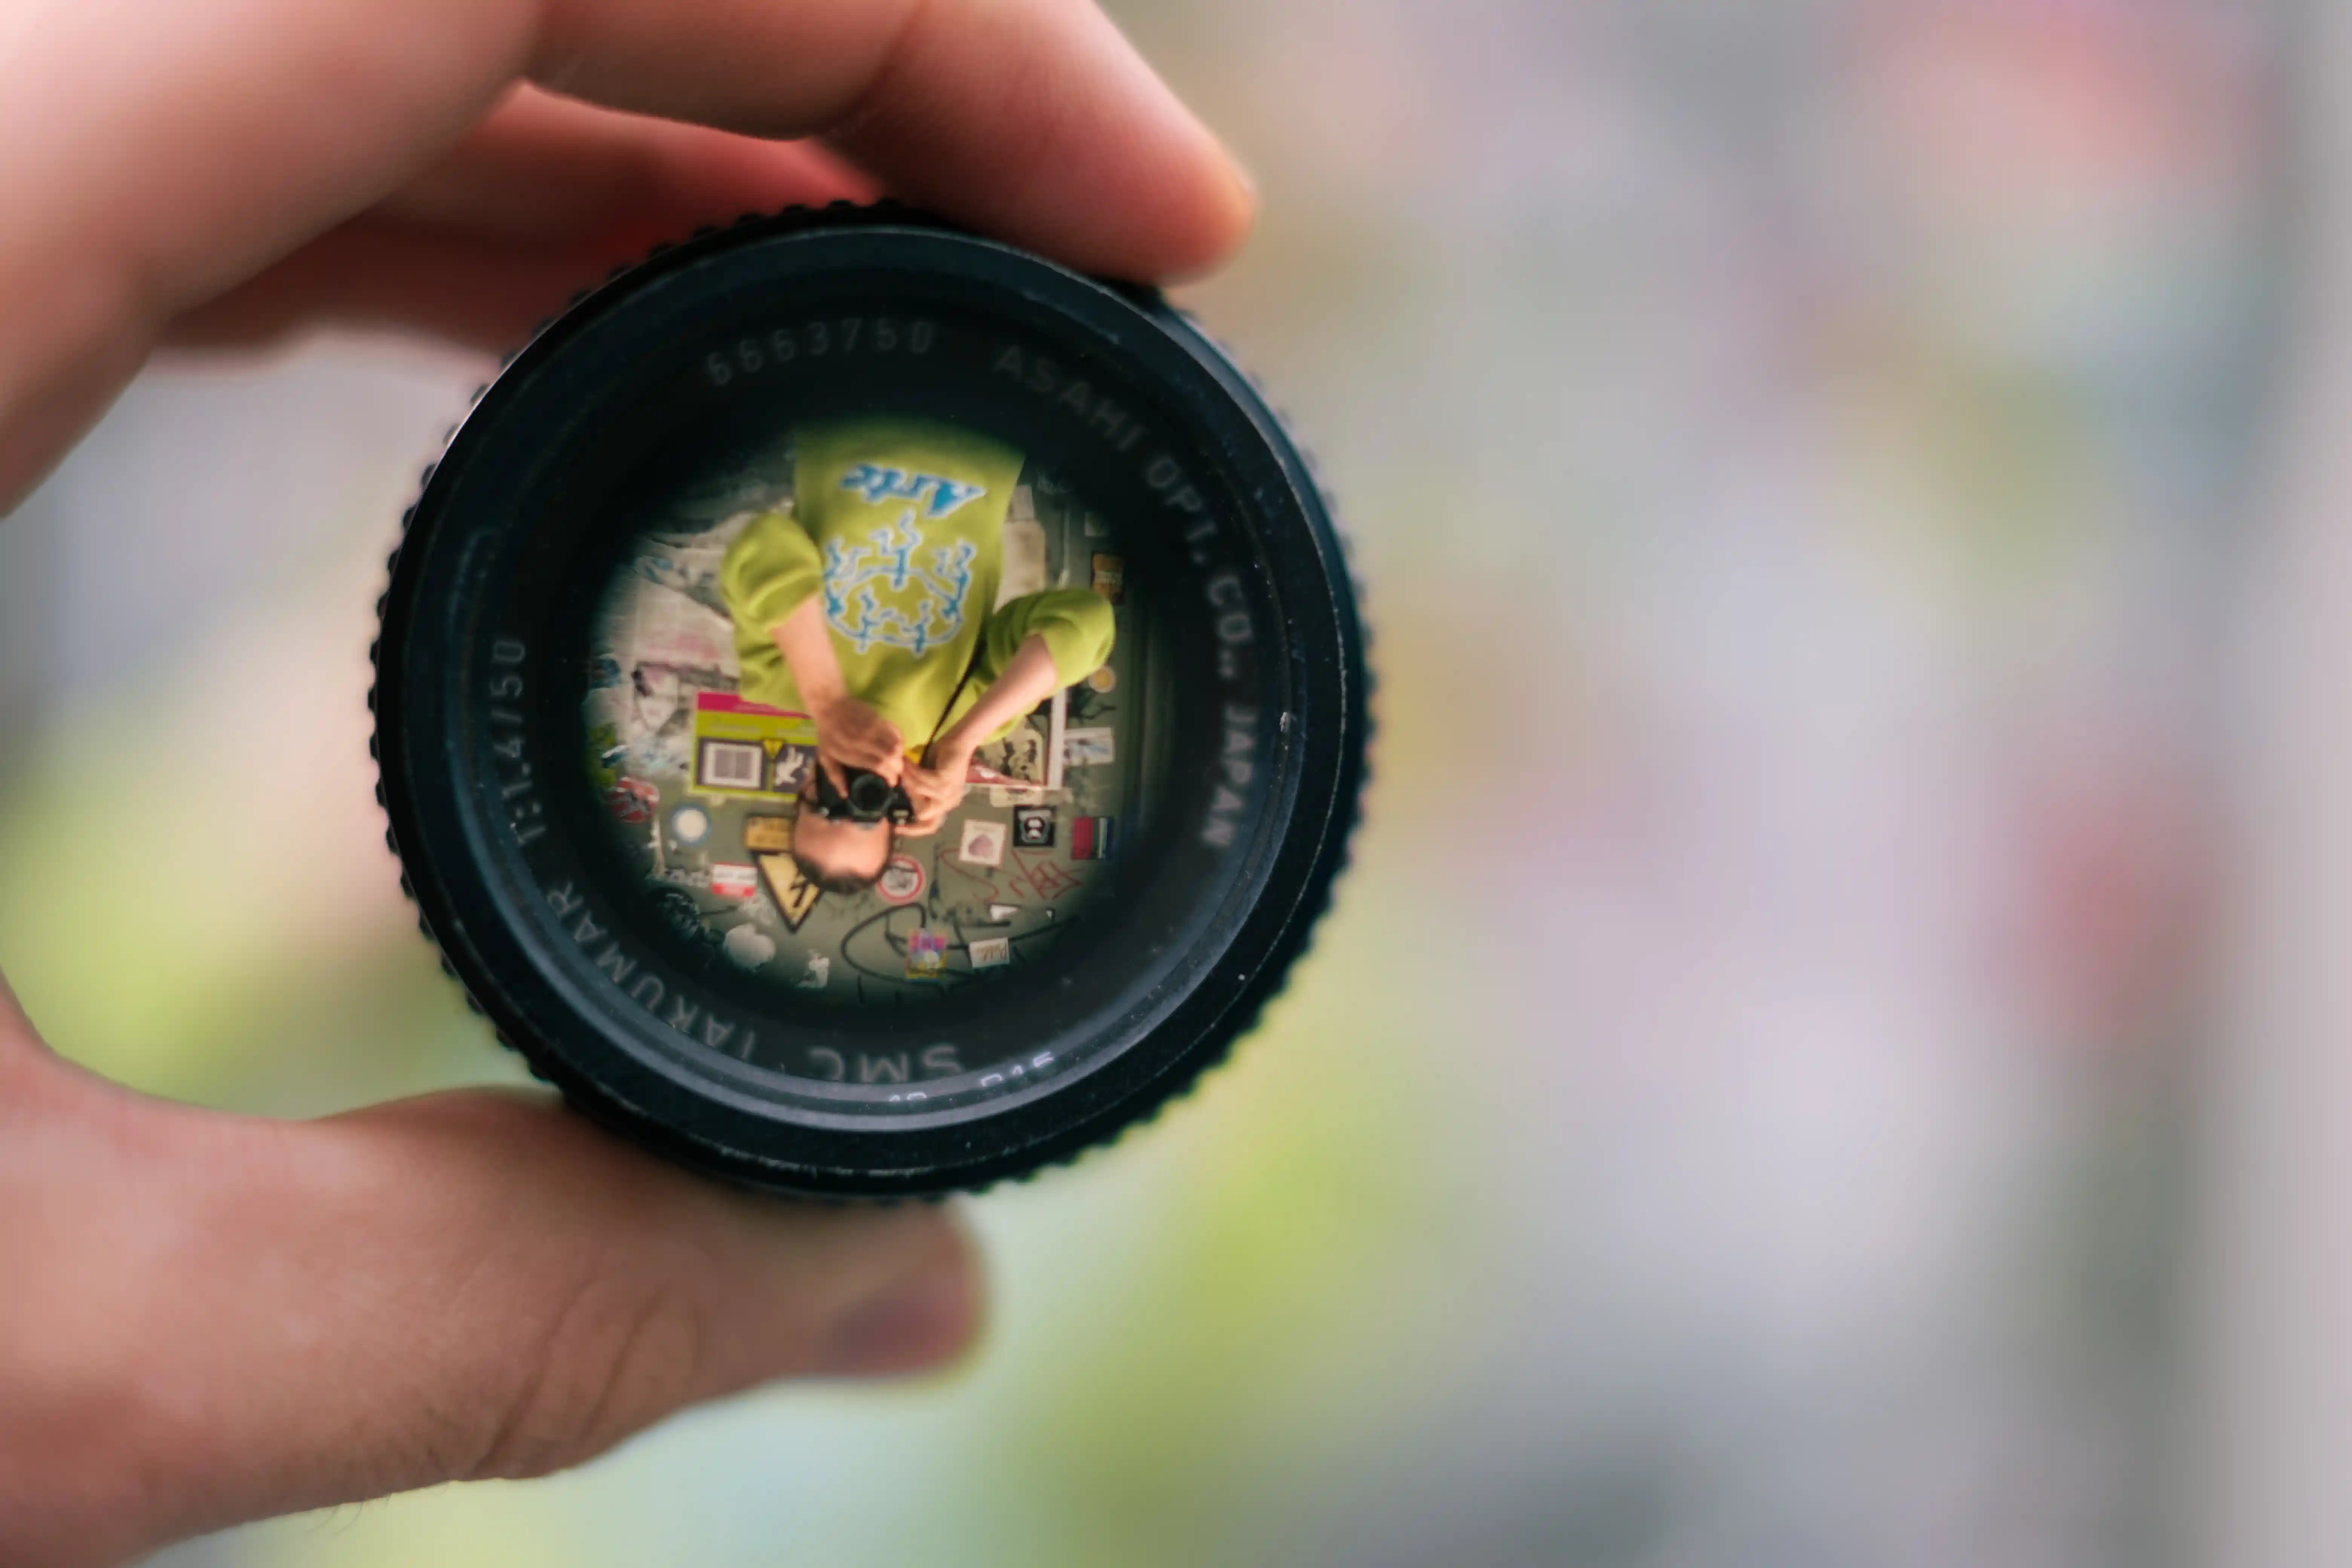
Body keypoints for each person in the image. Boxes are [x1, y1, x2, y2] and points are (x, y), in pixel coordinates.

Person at [0, 0, 1253, 1560]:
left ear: (800, 800)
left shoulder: (776, 659)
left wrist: (829, 696)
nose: (864, 809)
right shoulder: (936, 702)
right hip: (962, 415)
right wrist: (965, 729)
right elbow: (1079, 618)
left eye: (836, 820)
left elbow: (774, 551)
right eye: (883, 833)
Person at [721, 415, 1116, 893]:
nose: (850, 794)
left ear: (804, 788)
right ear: (898, 813)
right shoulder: (964, 719)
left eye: (827, 806)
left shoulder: (774, 679)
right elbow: (1089, 623)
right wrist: (963, 740)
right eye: (865, 814)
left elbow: (763, 544)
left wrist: (826, 699)